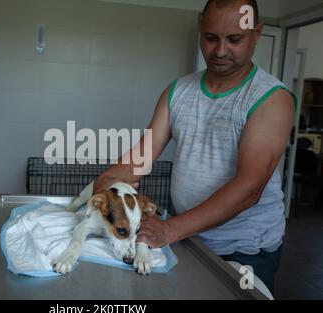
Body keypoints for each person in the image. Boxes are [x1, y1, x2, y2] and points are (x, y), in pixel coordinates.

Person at [93, 0, 296, 295]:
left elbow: (250, 187)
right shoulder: (178, 92)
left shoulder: (271, 99)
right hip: (188, 240)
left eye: (234, 39)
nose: (220, 50)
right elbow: (140, 159)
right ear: (200, 29)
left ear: (257, 33)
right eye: (211, 37)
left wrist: (171, 228)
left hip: (244, 251)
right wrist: (107, 182)